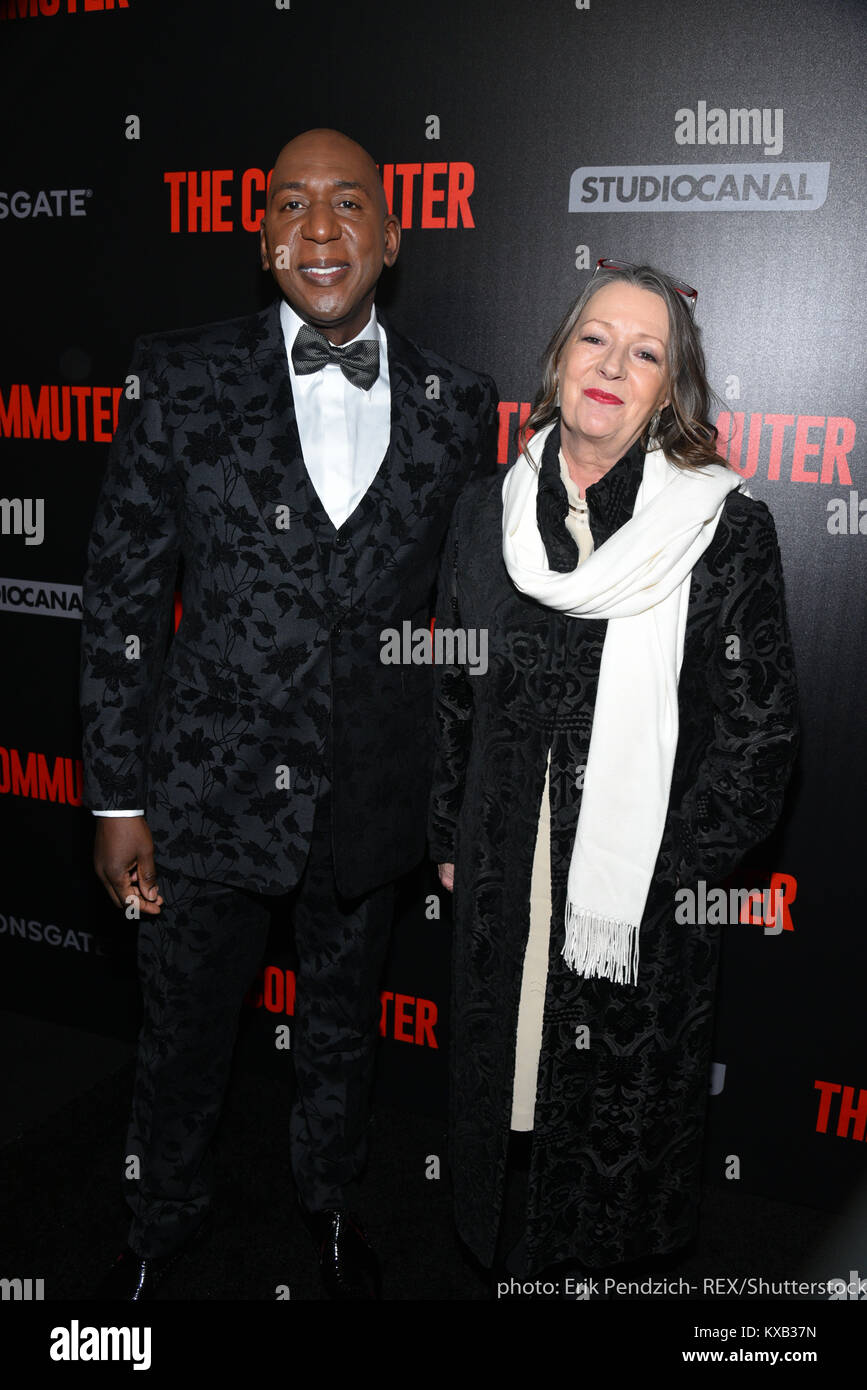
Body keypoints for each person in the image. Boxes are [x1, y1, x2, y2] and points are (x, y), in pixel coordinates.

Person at [80, 127, 498, 1300]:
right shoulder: (178, 374)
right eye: (293, 207)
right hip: (202, 792)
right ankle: (159, 1230)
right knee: (180, 1043)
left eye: (350, 205)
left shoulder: (456, 405)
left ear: (393, 234)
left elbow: (471, 618)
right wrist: (115, 798)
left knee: (342, 1036)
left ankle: (326, 1208)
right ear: (260, 239)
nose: (322, 230)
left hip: (369, 801)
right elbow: (120, 602)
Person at [429, 259, 798, 1282]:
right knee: (504, 1097)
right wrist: (448, 829)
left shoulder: (720, 530)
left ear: (671, 391)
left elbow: (762, 734)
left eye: (646, 353)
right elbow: (456, 681)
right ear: (556, 362)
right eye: (595, 338)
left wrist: (673, 874)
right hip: (506, 872)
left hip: (636, 895)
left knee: (612, 1139)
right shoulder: (483, 513)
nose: (612, 365)